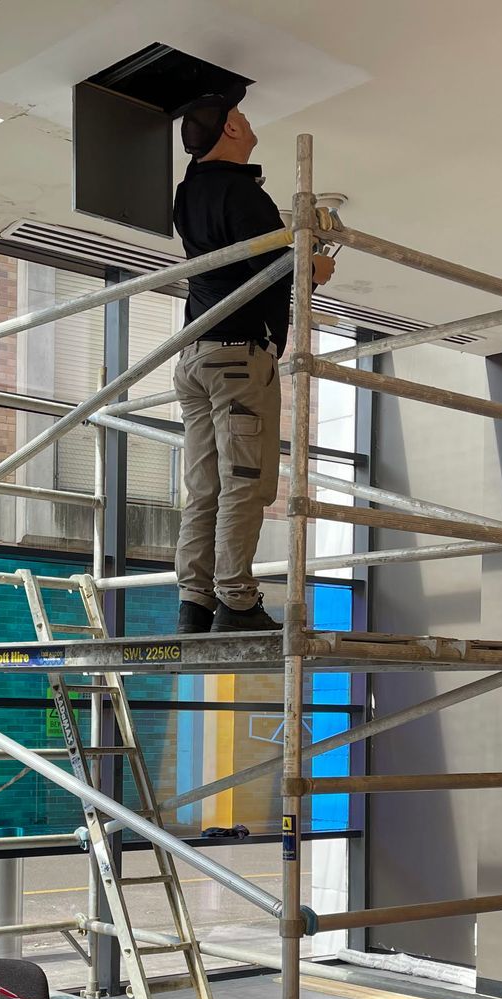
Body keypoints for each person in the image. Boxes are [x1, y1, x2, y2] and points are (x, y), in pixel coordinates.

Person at [166, 85, 335, 634]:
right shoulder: (242, 195)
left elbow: (244, 266)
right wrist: (315, 267)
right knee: (246, 482)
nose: (247, 117)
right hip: (239, 358)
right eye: (240, 112)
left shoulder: (187, 195)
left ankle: (195, 601)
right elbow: (279, 270)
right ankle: (237, 601)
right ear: (232, 129)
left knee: (206, 485)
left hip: (195, 354)